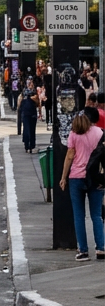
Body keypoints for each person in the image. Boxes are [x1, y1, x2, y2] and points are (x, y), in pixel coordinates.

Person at [60, 111, 105, 262]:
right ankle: (100, 248)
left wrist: (63, 177)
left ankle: (83, 251)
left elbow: (69, 156)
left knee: (79, 216)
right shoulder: (99, 132)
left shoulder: (73, 134)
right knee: (96, 215)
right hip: (95, 177)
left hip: (76, 177)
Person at [18, 76, 41, 153]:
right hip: (26, 113)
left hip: (31, 113)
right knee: (27, 129)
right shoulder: (24, 92)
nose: (30, 84)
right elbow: (20, 101)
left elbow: (38, 102)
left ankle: (30, 145)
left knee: (31, 129)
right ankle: (28, 145)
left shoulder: (34, 92)